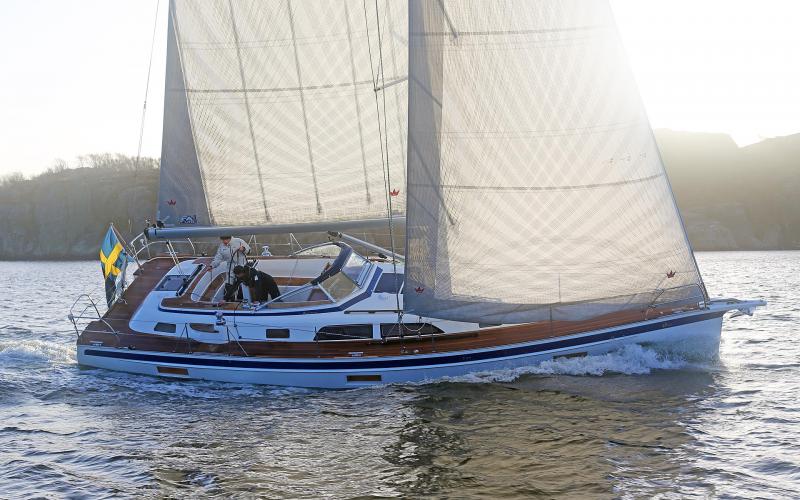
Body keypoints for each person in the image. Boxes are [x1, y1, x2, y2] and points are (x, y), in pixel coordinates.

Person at [211, 236, 250, 301]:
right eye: (222, 240)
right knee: (229, 283)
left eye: (225, 239)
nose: (224, 241)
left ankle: (245, 299)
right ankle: (228, 300)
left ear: (229, 238)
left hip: (242, 266)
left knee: (242, 282)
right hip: (230, 267)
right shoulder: (221, 246)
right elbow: (218, 257)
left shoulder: (239, 241)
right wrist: (212, 266)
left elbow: (249, 251)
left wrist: (243, 249)